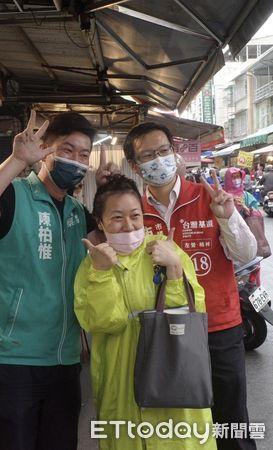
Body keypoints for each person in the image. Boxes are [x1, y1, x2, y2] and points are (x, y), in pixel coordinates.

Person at [0, 111, 96, 450]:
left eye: (84, 154)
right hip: (10, 362)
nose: (76, 160)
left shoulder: (78, 213)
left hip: (64, 360)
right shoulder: (13, 196)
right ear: (45, 149)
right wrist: (16, 161)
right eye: (67, 150)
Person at [122, 122, 257, 450]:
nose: (159, 160)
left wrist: (226, 218)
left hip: (218, 327)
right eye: (148, 155)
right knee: (183, 425)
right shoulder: (133, 213)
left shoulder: (209, 197)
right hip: (166, 334)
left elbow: (246, 253)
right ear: (135, 166)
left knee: (231, 422)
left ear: (175, 153)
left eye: (163, 151)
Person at [74, 175, 216, 450]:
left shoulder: (165, 250)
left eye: (135, 215)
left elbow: (194, 310)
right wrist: (101, 273)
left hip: (174, 374)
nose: (128, 225)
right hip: (121, 378)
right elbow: (104, 322)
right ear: (100, 222)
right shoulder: (92, 265)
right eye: (117, 217)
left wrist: (174, 268)